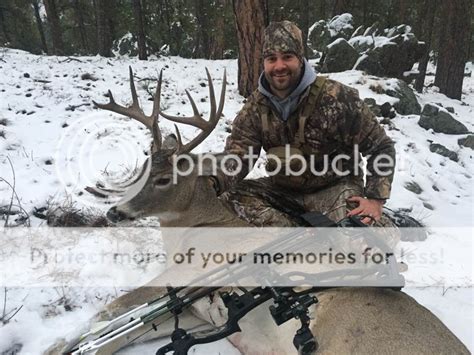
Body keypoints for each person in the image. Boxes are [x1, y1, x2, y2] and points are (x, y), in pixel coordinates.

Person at [219, 20, 396, 227]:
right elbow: (238, 156)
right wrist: (212, 181)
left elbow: (381, 146)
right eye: (271, 59)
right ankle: (300, 233)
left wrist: (375, 199)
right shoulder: (255, 107)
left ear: (301, 59)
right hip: (283, 193)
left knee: (365, 232)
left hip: (335, 190)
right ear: (264, 62)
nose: (279, 66)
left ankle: (335, 230)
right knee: (228, 198)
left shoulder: (338, 98)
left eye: (287, 57)